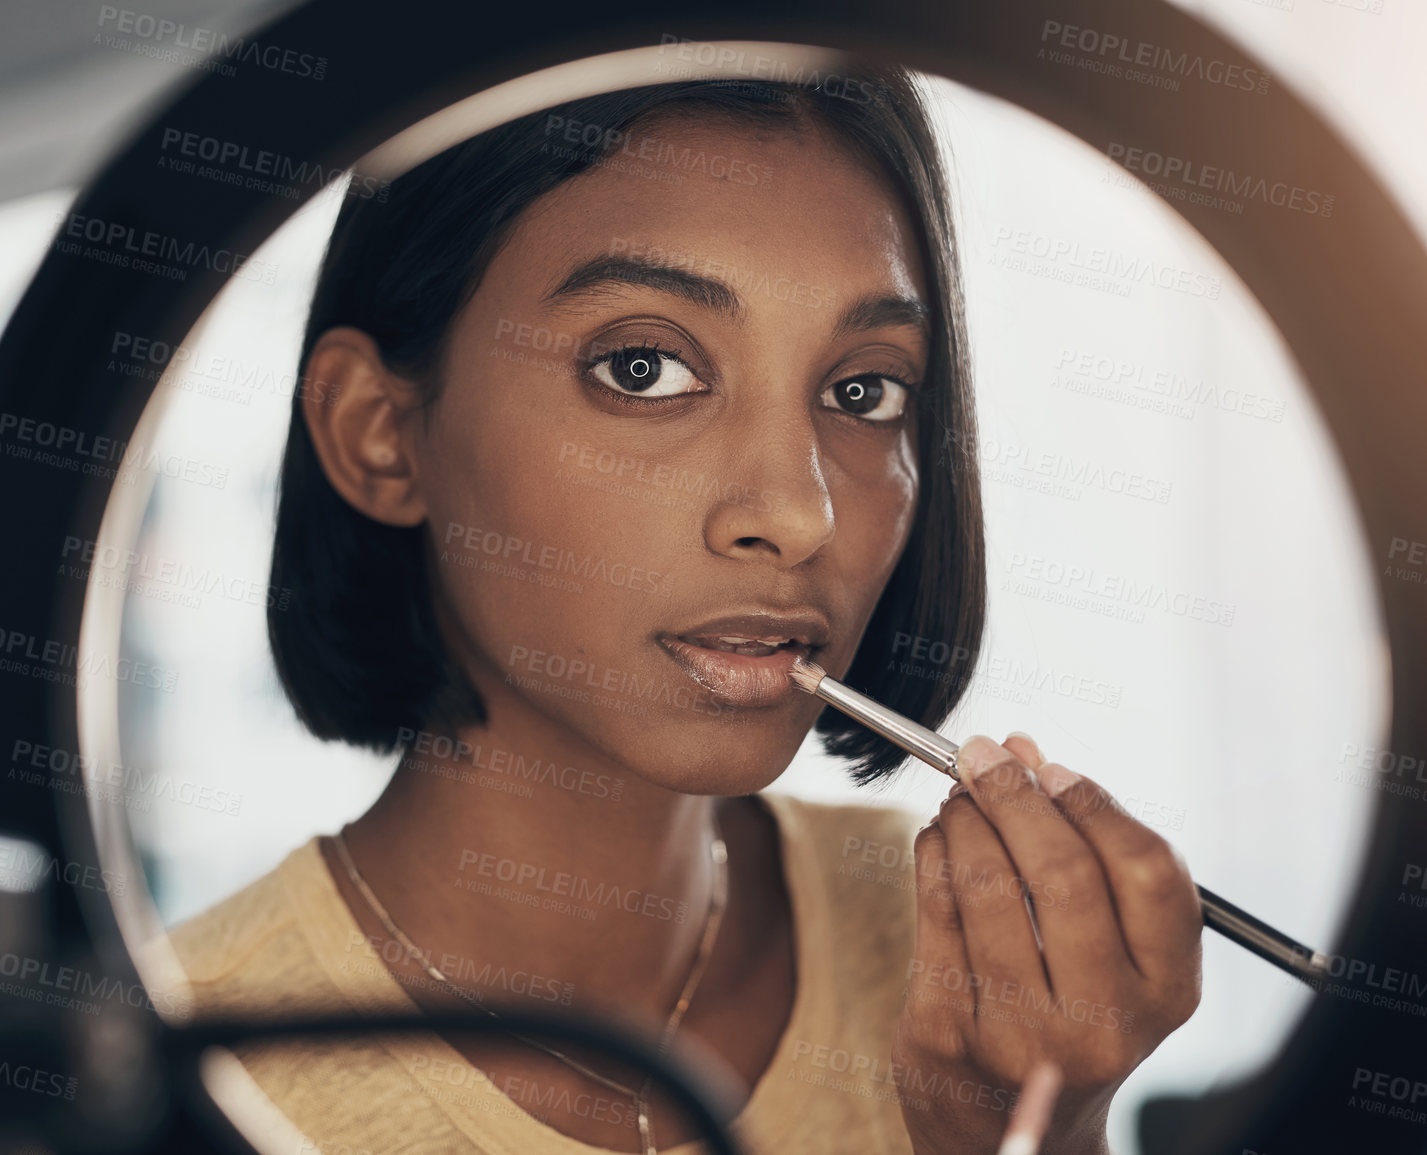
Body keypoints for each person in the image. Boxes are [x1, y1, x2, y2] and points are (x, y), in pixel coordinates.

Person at [169, 68, 1202, 1155]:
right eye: (644, 366)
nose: (800, 516)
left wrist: (1043, 1128)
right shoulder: (173, 1065)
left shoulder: (974, 979)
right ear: (380, 432)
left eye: (865, 392)